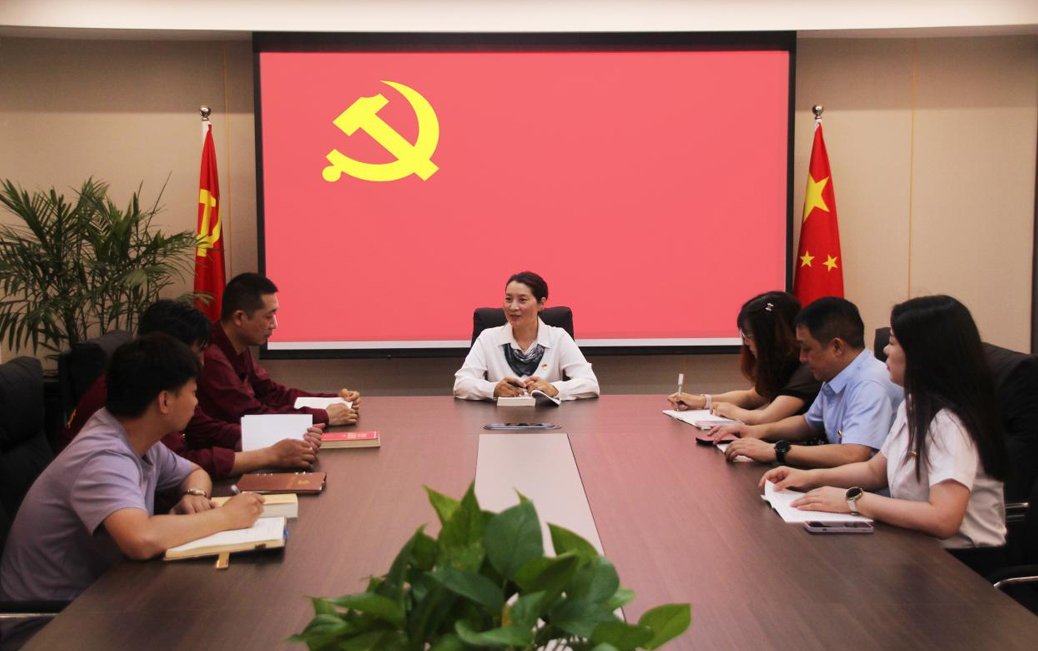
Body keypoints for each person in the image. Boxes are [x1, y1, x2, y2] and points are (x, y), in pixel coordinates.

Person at [0, 335, 266, 647]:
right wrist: (228, 517)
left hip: (101, 598)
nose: (197, 403)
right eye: (193, 393)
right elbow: (140, 539)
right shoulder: (102, 456)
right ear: (165, 401)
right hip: (47, 625)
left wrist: (193, 496)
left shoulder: (135, 435)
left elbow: (195, 472)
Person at [762, 295, 1009, 560]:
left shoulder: (950, 421)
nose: (885, 350)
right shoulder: (915, 403)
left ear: (922, 353)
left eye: (892, 342)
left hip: (963, 565)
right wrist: (807, 477)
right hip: (916, 548)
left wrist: (853, 500)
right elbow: (874, 471)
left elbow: (943, 519)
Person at [65, 300, 324, 480]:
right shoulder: (132, 393)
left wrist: (285, 436)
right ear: (169, 349)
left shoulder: (160, 381)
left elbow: (201, 432)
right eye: (198, 352)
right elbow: (183, 460)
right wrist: (269, 454)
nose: (202, 363)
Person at [715, 297, 903, 467]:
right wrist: (757, 431)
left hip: (865, 489)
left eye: (807, 349)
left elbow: (853, 454)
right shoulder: (837, 373)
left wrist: (776, 451)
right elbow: (807, 423)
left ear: (837, 347)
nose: (802, 358)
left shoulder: (869, 384)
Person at [198, 273, 361, 426]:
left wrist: (337, 401)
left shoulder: (238, 344)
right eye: (268, 316)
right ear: (239, 318)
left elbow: (272, 394)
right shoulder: (210, 357)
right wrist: (323, 416)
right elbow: (249, 415)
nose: (275, 324)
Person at [667, 291, 820, 424]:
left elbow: (767, 418)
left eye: (750, 335)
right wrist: (703, 401)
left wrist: (733, 412)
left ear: (772, 337)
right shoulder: (784, 364)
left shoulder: (808, 369)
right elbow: (752, 397)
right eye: (744, 334)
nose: (746, 342)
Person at [454, 271, 599, 401]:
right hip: (499, 419)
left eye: (522, 300)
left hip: (549, 419)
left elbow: (590, 383)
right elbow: (461, 384)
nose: (513, 307)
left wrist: (554, 389)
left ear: (541, 304)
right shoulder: (488, 337)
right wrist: (492, 389)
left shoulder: (558, 337)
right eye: (508, 299)